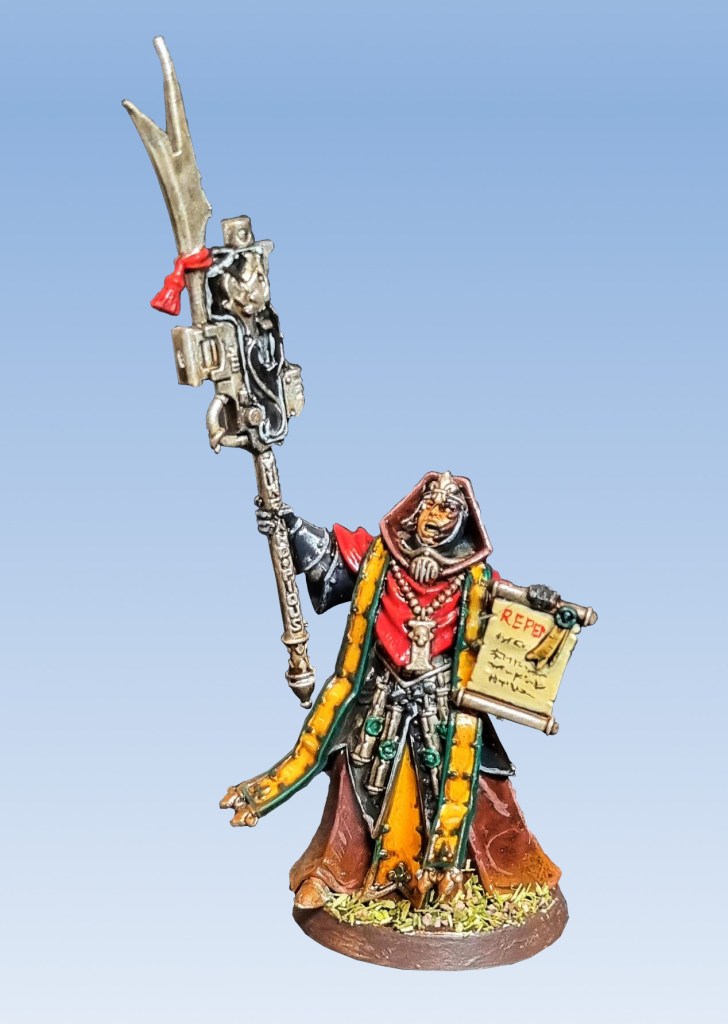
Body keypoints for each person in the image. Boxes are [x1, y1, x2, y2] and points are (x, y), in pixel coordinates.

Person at [221, 472, 561, 910]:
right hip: (381, 701)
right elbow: (328, 553)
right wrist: (287, 525)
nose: (435, 516)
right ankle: (336, 876)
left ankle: (464, 879)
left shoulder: (475, 579)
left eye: (448, 509)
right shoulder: (380, 558)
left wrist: (540, 602)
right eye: (430, 505)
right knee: (356, 784)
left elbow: (515, 627)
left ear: (462, 523)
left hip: (445, 707)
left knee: (468, 787)